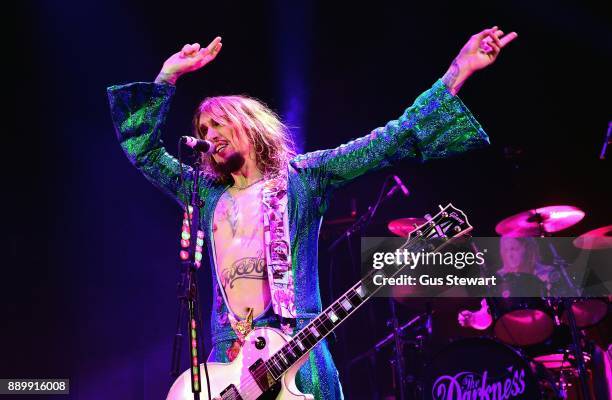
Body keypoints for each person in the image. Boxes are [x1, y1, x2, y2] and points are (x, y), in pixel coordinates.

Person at [108, 27, 517, 399]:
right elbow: (143, 152)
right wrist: (166, 78)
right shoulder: (205, 193)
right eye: (202, 132)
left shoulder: (306, 178)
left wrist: (458, 70)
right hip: (228, 364)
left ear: (249, 126)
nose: (209, 137)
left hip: (296, 352)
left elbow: (388, 141)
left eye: (218, 125)